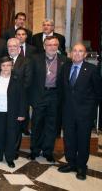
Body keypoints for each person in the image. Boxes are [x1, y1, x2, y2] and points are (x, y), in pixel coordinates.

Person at [58, 43, 102, 180]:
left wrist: (91, 111)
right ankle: (71, 163)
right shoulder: (65, 67)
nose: (77, 53)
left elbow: (98, 93)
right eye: (74, 51)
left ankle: (81, 167)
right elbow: (61, 89)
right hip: (68, 112)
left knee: (83, 140)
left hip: (85, 114)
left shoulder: (92, 69)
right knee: (69, 139)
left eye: (80, 51)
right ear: (71, 53)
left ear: (85, 54)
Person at [28, 36, 67, 162]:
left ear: (58, 46)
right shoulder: (35, 59)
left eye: (55, 45)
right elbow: (30, 80)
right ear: (44, 46)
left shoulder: (65, 60)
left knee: (51, 125)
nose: (52, 47)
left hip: (55, 96)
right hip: (40, 95)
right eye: (49, 45)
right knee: (37, 124)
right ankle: (34, 150)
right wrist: (32, 99)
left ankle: (48, 151)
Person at [0, 57, 25, 168]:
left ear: (12, 66)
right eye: (3, 65)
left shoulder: (17, 78)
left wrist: (22, 113)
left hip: (12, 112)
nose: (6, 67)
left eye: (8, 65)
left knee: (11, 135)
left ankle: (9, 158)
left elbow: (23, 97)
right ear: (0, 66)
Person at [7, 38, 33, 155]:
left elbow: (27, 82)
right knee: (5, 126)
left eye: (14, 46)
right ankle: (4, 147)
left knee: (16, 128)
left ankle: (14, 150)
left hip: (18, 100)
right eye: (10, 46)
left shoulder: (26, 61)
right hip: (4, 100)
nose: (12, 48)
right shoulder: (3, 61)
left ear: (19, 48)